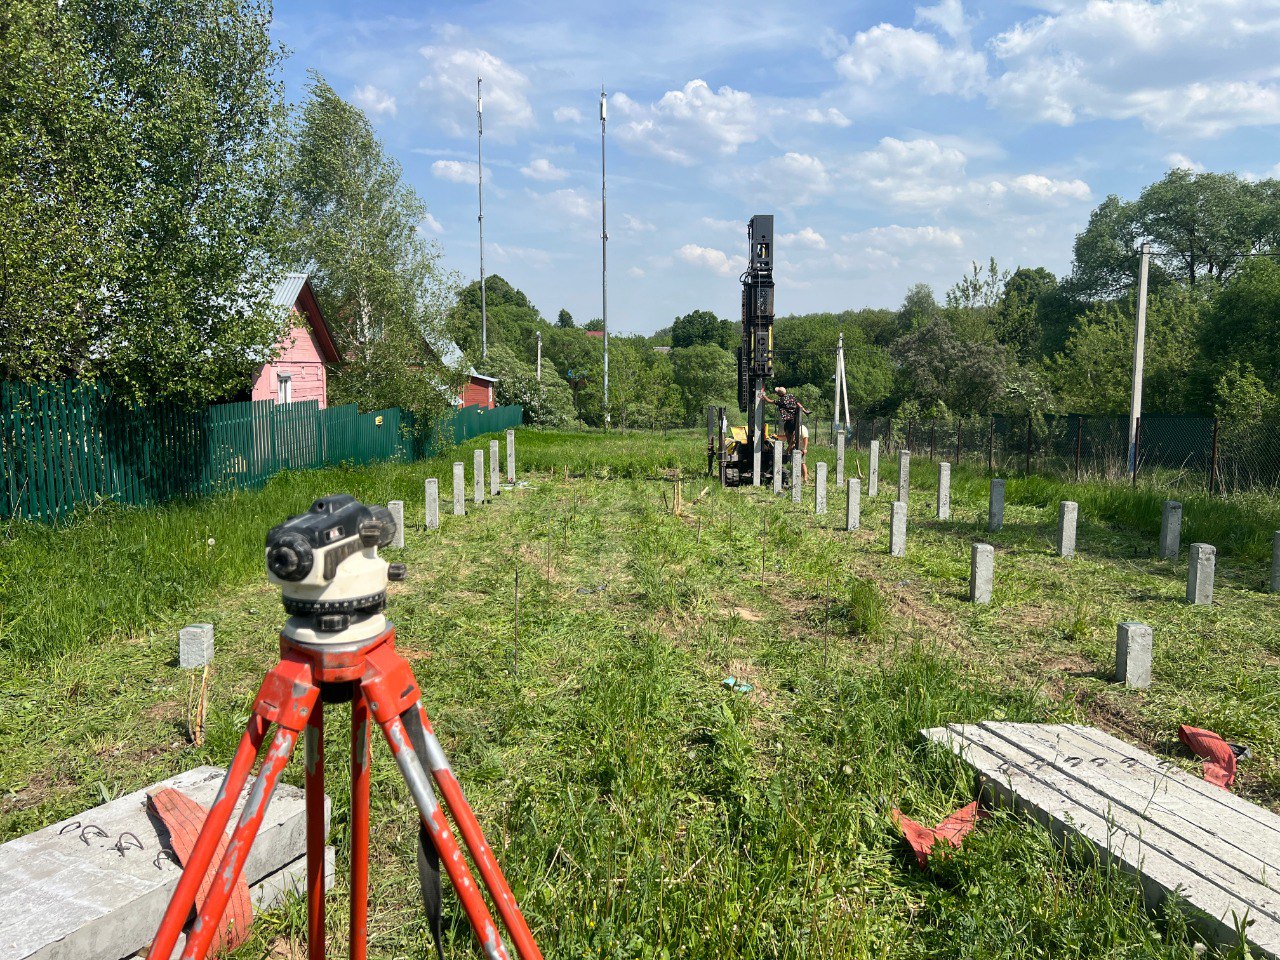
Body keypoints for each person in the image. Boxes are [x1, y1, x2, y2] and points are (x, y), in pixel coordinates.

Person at [762, 386, 810, 480]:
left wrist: (763, 395)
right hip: (796, 420)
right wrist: (804, 411)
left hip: (789, 422)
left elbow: (770, 401)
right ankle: (790, 449)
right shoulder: (791, 397)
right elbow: (798, 404)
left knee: (790, 438)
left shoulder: (781, 401)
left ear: (779, 394)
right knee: (791, 438)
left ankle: (789, 449)